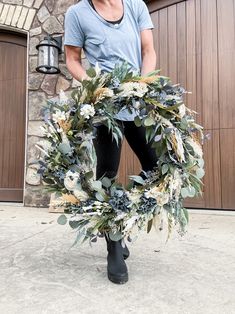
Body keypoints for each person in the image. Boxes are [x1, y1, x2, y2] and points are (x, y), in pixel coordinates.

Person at [64, 0, 157, 284]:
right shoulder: (77, 14)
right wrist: (95, 86)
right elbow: (72, 60)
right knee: (107, 175)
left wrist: (142, 83)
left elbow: (148, 51)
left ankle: (123, 216)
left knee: (156, 167)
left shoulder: (135, 5)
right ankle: (114, 243)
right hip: (105, 109)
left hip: (137, 104)